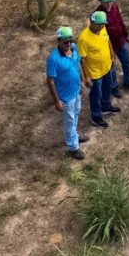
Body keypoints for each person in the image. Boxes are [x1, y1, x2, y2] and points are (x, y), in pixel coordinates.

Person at [45, 26, 87, 159]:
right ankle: (73, 147)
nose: (69, 44)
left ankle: (75, 136)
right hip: (66, 97)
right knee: (69, 121)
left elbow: (78, 63)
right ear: (58, 41)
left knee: (76, 114)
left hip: (76, 91)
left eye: (70, 40)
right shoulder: (53, 59)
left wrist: (83, 80)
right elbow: (50, 81)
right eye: (65, 41)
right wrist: (57, 101)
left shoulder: (74, 49)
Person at [78, 11, 119, 128]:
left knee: (107, 88)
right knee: (96, 95)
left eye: (103, 24)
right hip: (94, 73)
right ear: (91, 22)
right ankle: (96, 117)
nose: (101, 26)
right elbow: (83, 60)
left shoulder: (103, 29)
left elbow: (107, 41)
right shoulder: (83, 39)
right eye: (99, 24)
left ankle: (106, 106)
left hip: (107, 67)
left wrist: (112, 55)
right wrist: (86, 77)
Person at [95, 0, 129, 95]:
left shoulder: (115, 7)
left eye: (111, 1)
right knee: (112, 68)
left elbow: (120, 21)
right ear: (101, 1)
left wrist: (125, 35)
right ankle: (114, 87)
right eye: (106, 1)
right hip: (108, 46)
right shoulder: (98, 14)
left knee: (127, 63)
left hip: (121, 41)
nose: (109, 3)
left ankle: (128, 81)